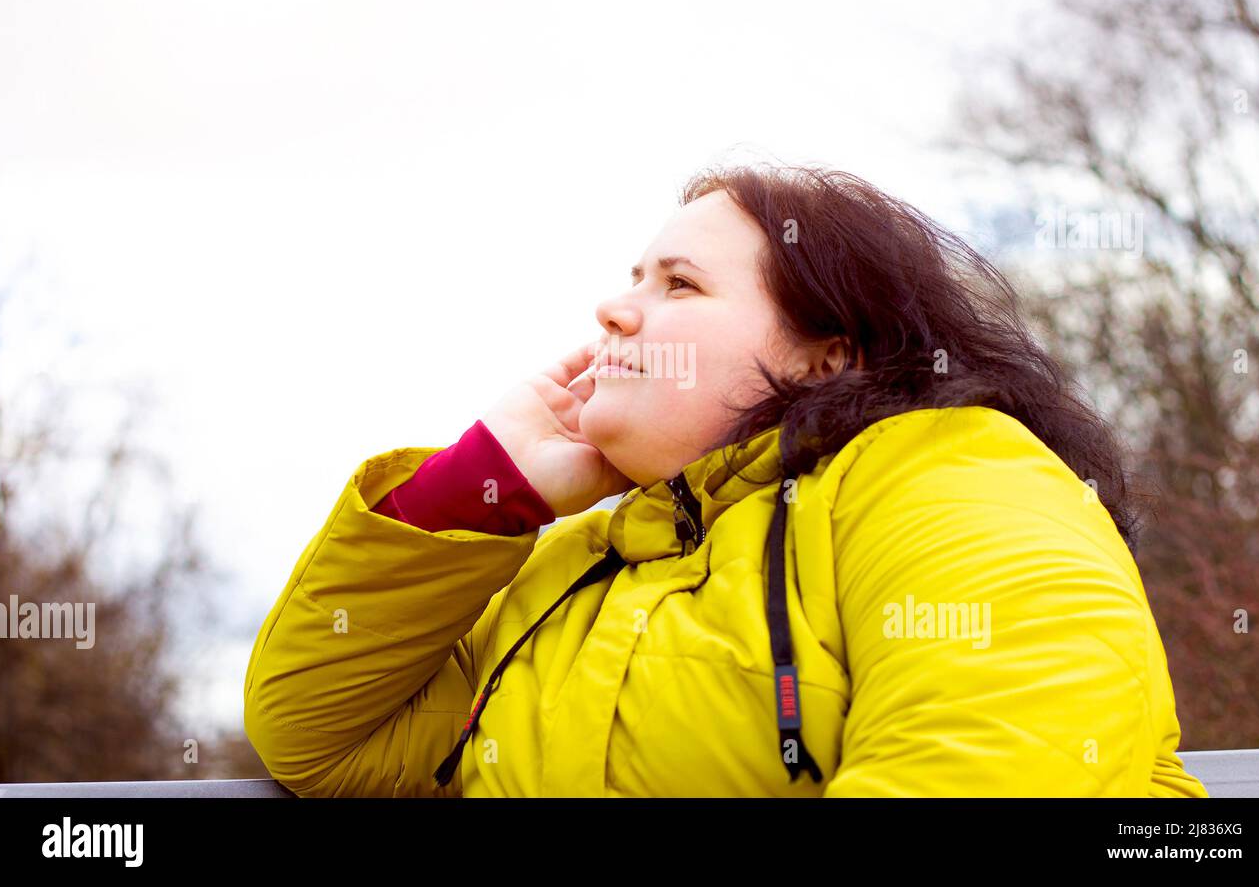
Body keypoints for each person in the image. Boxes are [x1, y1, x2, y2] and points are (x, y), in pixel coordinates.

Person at [243, 164, 1209, 797]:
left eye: (680, 284)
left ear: (829, 355)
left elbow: (992, 766)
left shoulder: (953, 480)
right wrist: (483, 486)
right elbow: (321, 740)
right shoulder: (580, 568)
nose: (614, 310)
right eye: (632, 277)